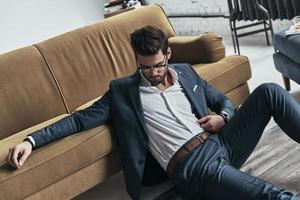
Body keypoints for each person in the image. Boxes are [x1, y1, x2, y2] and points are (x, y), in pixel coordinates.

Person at [6, 25, 300, 200]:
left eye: (157, 65)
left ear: (168, 55)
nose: (152, 73)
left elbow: (221, 100)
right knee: (268, 195)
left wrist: (223, 117)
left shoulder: (185, 73)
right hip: (193, 166)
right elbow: (78, 119)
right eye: (144, 67)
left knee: (269, 92)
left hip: (220, 143)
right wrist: (30, 141)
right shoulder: (122, 92)